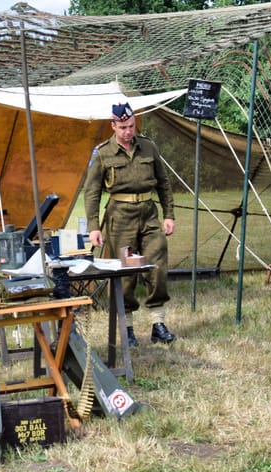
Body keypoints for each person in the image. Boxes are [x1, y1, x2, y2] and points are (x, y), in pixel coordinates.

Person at [83, 102, 176, 346]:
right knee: (124, 274)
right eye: (123, 127)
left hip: (149, 214)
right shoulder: (103, 153)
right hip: (120, 217)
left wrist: (169, 215)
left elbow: (164, 183)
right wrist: (94, 226)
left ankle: (158, 323)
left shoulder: (148, 146)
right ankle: (128, 330)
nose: (128, 131)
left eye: (131, 126)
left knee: (157, 266)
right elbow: (91, 191)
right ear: (113, 126)